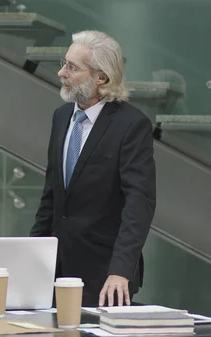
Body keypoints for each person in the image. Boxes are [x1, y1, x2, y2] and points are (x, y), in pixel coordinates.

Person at [30, 30, 156, 307]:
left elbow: (139, 203)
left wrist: (121, 270)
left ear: (101, 78)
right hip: (55, 271)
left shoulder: (131, 125)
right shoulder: (61, 117)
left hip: (105, 276)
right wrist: (31, 253)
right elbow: (51, 195)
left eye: (72, 67)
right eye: (64, 63)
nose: (62, 72)